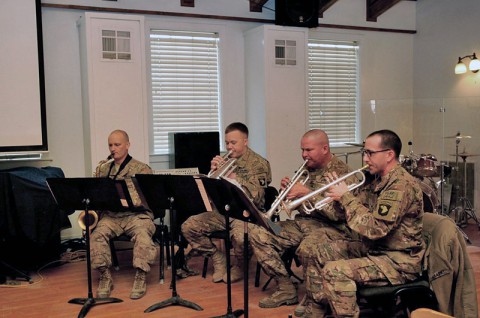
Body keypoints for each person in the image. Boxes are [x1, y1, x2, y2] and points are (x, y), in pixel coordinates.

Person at [303, 129, 426, 317]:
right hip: (374, 249)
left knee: (335, 271)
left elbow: (375, 228)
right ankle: (317, 310)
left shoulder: (400, 185)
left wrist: (345, 197)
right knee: (316, 251)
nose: (365, 159)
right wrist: (336, 198)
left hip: (397, 260)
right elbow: (349, 213)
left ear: (389, 155)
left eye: (370, 153)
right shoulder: (375, 180)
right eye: (364, 152)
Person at [249, 129, 354, 309]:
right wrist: (288, 193)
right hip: (303, 223)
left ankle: (315, 299)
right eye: (302, 150)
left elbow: (339, 214)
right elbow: (300, 206)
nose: (304, 155)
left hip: (331, 229)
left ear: (325, 148)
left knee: (308, 247)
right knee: (259, 233)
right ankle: (285, 288)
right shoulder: (307, 168)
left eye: (309, 150)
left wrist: (308, 193)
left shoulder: (342, 173)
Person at [181, 122, 272, 283]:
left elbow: (257, 197)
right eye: (227, 143)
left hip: (247, 214)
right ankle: (218, 258)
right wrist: (213, 173)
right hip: (224, 211)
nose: (229, 147)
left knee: (239, 236)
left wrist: (234, 177)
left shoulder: (259, 164)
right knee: (189, 226)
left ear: (245, 141)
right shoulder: (226, 160)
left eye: (233, 143)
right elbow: (212, 194)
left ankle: (240, 266)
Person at [90, 130, 156, 300]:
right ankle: (105, 277)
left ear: (127, 145)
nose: (113, 149)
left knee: (143, 235)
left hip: (136, 215)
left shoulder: (142, 169)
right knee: (96, 235)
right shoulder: (103, 169)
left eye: (117, 145)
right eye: (110, 145)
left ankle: (141, 276)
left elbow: (149, 198)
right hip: (112, 216)